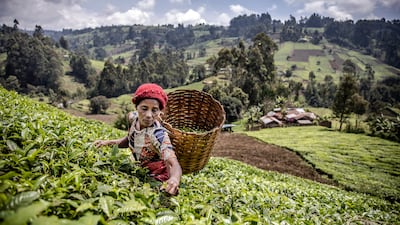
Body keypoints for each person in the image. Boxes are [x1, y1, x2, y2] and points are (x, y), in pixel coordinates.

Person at [94, 83, 182, 195]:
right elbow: (131, 139)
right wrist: (107, 143)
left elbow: (174, 163)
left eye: (154, 110)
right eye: (144, 108)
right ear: (136, 107)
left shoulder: (158, 135)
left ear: (160, 112)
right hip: (139, 169)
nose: (149, 115)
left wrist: (174, 179)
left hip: (158, 178)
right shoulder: (133, 118)